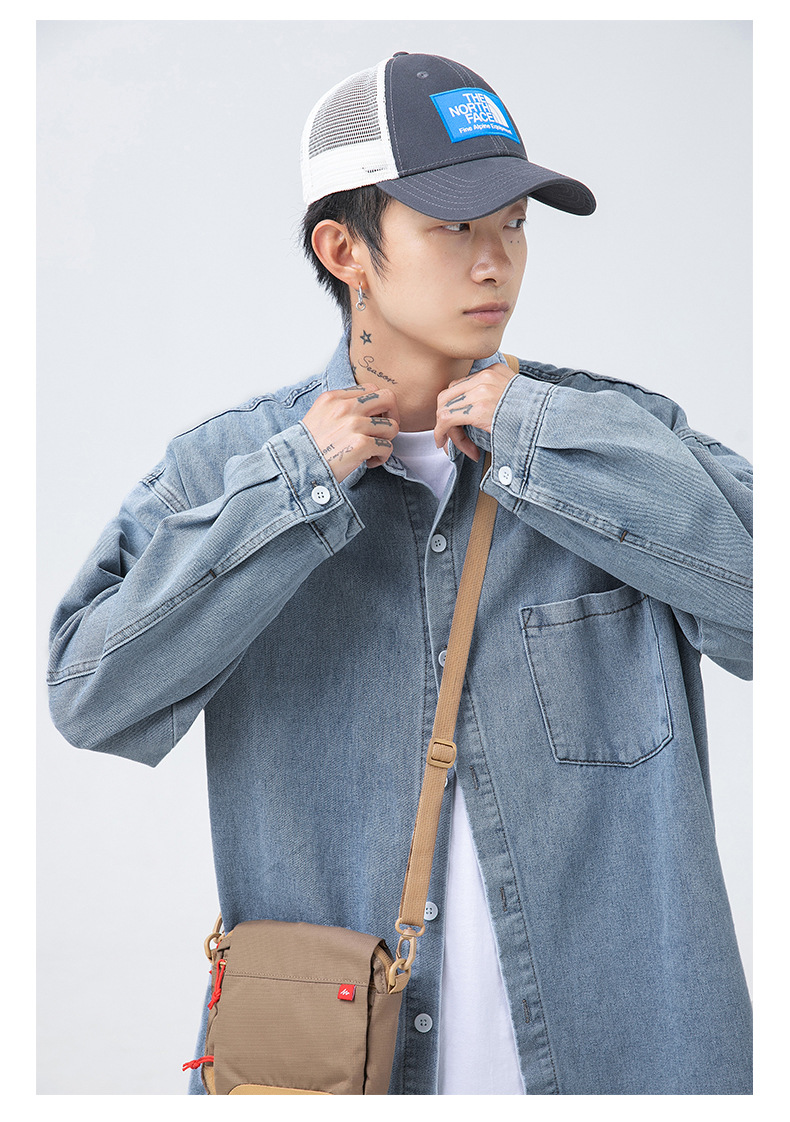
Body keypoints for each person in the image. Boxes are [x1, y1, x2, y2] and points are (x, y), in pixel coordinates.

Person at [47, 51, 752, 1095]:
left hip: (625, 1067)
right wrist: (295, 489)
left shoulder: (618, 441)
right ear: (346, 251)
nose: (495, 262)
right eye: (454, 226)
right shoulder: (226, 468)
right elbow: (89, 696)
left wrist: (543, 436)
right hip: (335, 1075)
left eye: (513, 223)